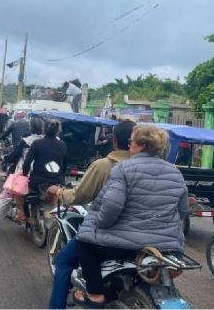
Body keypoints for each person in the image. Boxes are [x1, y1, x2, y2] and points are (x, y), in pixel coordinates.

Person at [72, 125, 188, 307]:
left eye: (131, 142)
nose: (129, 146)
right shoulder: (175, 172)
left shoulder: (123, 169)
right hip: (164, 247)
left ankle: (95, 295)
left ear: (141, 145)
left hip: (127, 246)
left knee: (85, 245)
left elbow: (110, 207)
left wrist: (100, 224)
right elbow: (182, 211)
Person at [46, 120, 135, 309]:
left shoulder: (104, 166)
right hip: (144, 236)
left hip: (109, 235)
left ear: (114, 141)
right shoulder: (151, 168)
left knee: (64, 260)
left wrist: (59, 192)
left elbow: (80, 195)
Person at [0, 117, 44, 233]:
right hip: (41, 175)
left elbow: (13, 157)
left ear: (31, 127)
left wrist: (3, 158)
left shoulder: (27, 141)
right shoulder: (45, 140)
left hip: (24, 174)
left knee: (6, 196)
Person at [14, 119, 67, 222]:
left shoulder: (37, 143)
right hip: (56, 182)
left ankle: (21, 214)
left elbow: (27, 163)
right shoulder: (63, 145)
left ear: (44, 129)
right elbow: (64, 166)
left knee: (18, 191)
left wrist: (24, 176)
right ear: (57, 131)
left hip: (37, 182)